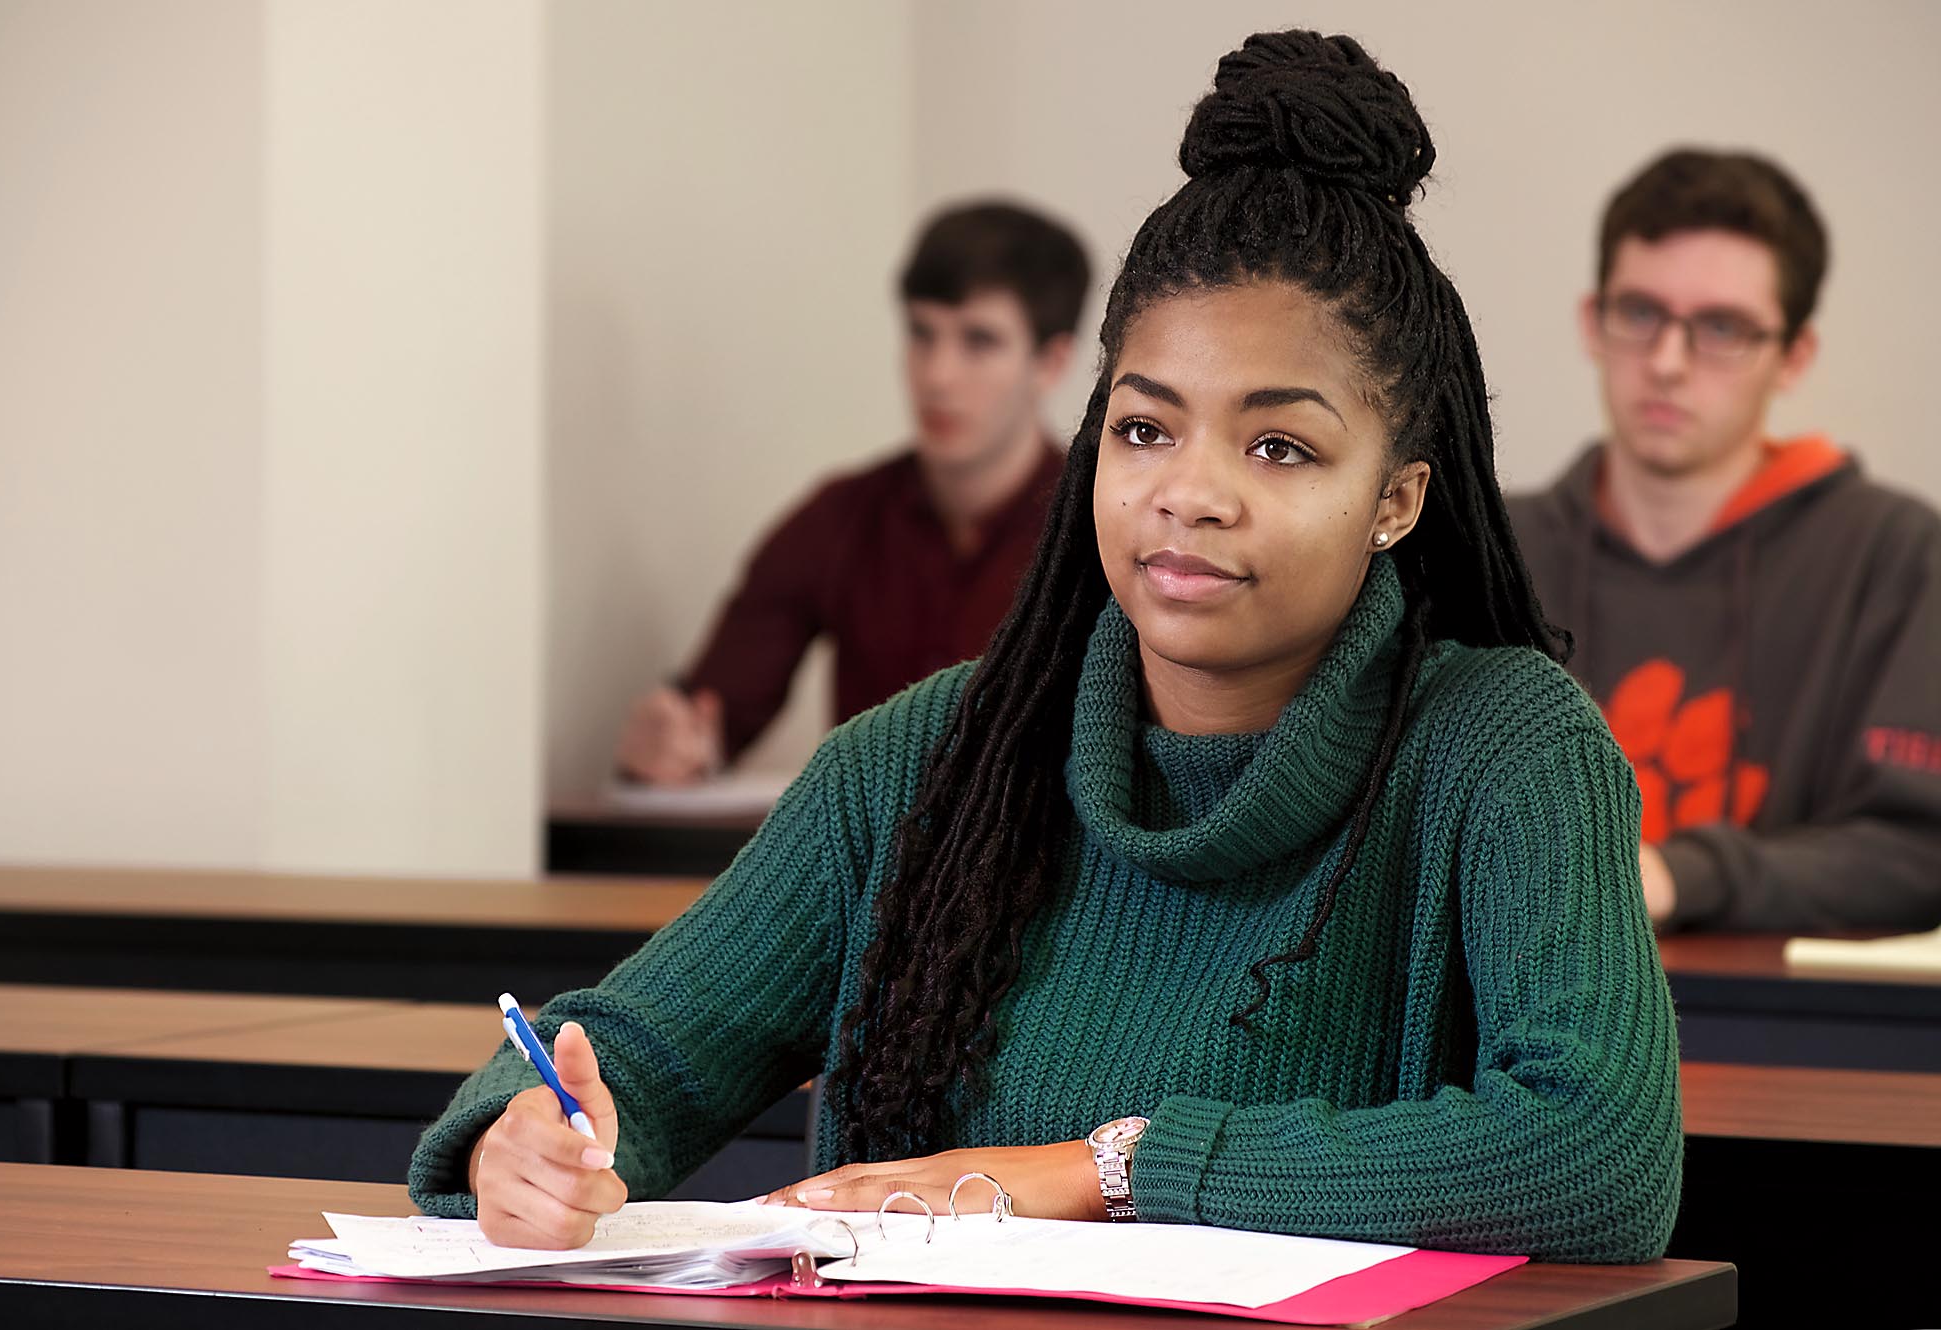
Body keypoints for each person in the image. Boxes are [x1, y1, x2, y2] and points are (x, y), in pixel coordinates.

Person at [415, 31, 1680, 1263]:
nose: (1189, 492)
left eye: (1277, 447)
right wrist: (524, 1144)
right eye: (1144, 431)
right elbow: (644, 1044)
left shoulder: (1504, 745)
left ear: (1396, 499)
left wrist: (1100, 1171)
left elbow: (1596, 1154)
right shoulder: (919, 763)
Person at [1508, 149, 1941, 934]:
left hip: (1783, 1040)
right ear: (1591, 323)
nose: (1668, 363)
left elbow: (1920, 853)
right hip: (1507, 1025)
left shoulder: (1898, 558)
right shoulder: (1493, 551)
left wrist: (1679, 878)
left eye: (1722, 328)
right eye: (1639, 313)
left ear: (1794, 357)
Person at [614, 201, 1090, 784]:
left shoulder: (1100, 528)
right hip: (867, 865)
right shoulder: (840, 518)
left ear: (1051, 362)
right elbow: (712, 716)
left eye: (979, 341)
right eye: (921, 334)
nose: (937, 375)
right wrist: (670, 744)